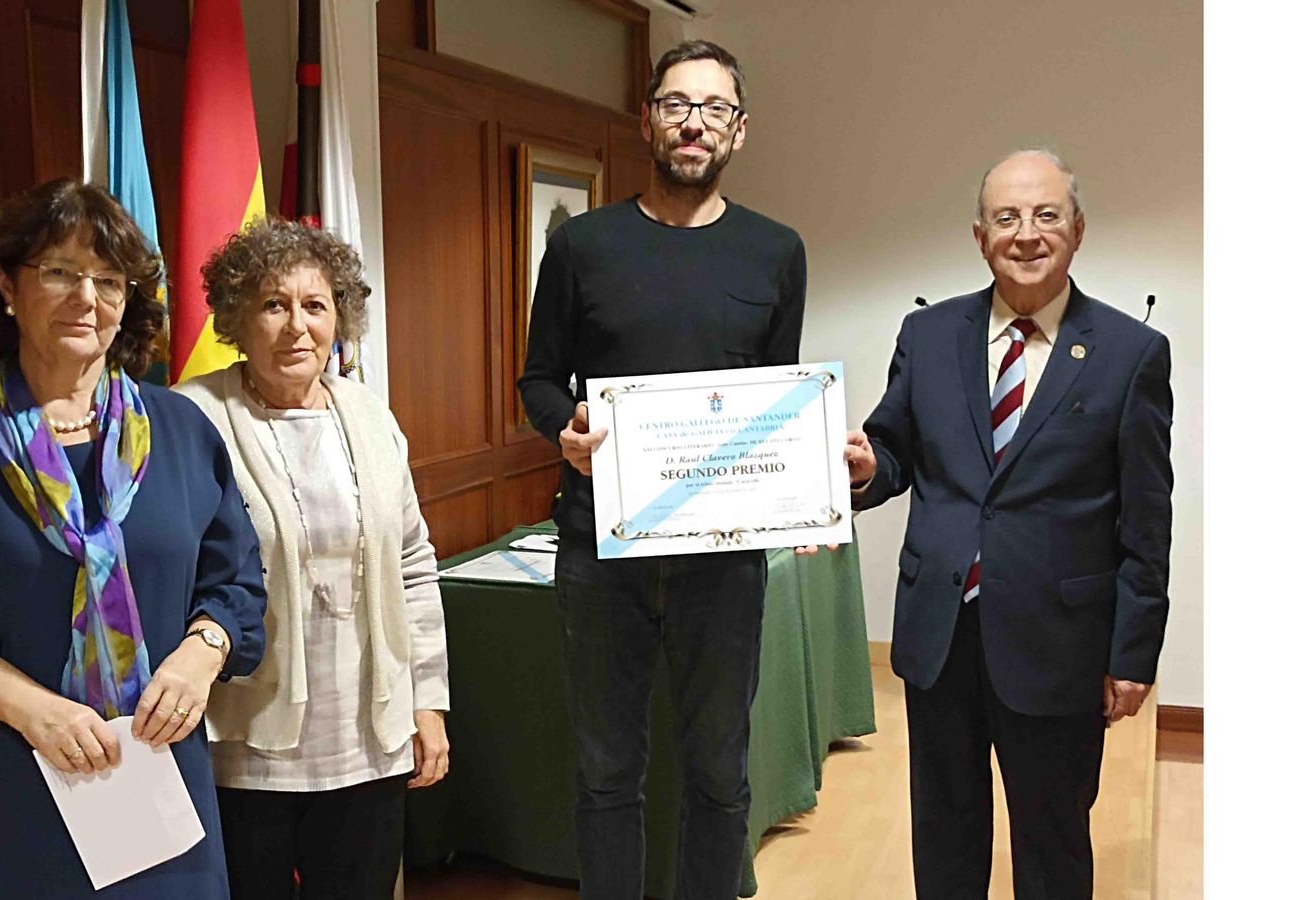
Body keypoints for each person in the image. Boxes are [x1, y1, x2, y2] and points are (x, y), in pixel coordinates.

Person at [0, 177, 268, 899]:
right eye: (59, 272)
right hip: (4, 803)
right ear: (7, 287)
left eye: (108, 279)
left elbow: (238, 583)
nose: (86, 297)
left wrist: (200, 653)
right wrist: (33, 708)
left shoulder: (184, 435)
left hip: (155, 795)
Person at [517, 40, 806, 900]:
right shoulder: (583, 247)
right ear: (647, 119)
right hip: (600, 548)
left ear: (739, 131)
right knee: (607, 776)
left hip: (724, 560)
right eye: (677, 104)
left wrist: (806, 498)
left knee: (719, 774)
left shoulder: (776, 252)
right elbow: (538, 378)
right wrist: (559, 427)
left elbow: (778, 402)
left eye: (714, 109)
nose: (694, 124)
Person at [845, 149, 1172, 898]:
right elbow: (894, 449)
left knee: (1053, 844)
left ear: (1078, 230)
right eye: (1006, 218)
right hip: (940, 634)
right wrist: (867, 471)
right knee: (945, 835)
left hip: (1059, 646)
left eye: (1046, 215)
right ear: (979, 235)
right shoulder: (927, 337)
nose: (1026, 234)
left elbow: (1147, 519)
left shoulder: (1130, 354)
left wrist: (1134, 653)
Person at [174, 216, 451, 899]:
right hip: (244, 748)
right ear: (239, 316)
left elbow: (414, 562)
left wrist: (428, 702)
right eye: (274, 304)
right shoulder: (191, 419)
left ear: (340, 319)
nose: (297, 326)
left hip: (370, 740)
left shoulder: (370, 414)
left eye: (315, 305)